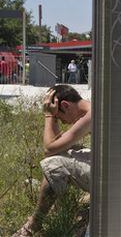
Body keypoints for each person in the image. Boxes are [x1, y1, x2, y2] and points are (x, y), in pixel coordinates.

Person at [13, 85, 91, 236]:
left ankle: (34, 224)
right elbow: (58, 146)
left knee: (54, 163)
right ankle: (61, 209)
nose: (63, 123)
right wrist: (54, 117)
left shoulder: (90, 115)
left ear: (65, 105)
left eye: (59, 117)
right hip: (118, 173)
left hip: (114, 180)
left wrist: (49, 116)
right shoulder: (90, 109)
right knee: (64, 154)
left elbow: (49, 149)